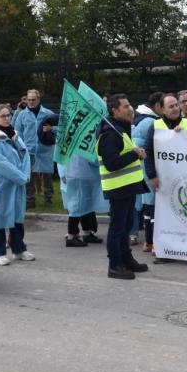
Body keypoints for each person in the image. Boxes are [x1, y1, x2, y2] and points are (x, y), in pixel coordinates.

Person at [98, 94, 150, 280]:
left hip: (128, 187)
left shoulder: (120, 129)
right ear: (114, 110)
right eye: (126, 106)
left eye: (130, 105)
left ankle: (126, 259)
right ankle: (115, 265)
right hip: (118, 188)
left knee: (126, 226)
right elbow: (111, 163)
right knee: (117, 228)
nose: (131, 109)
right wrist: (135, 155)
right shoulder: (110, 133)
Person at [0, 103, 34, 265]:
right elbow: (0, 163)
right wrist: (20, 176)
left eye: (8, 115)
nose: (6, 119)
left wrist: (25, 175)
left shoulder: (15, 135)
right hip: (1, 184)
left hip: (17, 184)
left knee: (17, 218)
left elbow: (25, 155)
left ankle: (19, 249)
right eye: (3, 116)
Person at [144, 93, 187, 263]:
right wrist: (152, 175)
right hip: (164, 179)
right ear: (162, 109)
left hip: (186, 179)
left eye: (176, 105)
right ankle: (162, 250)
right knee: (163, 216)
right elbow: (148, 152)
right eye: (170, 106)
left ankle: (185, 248)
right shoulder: (155, 126)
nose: (175, 108)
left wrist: (182, 134)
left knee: (185, 214)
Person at [12, 89, 56, 208]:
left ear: (38, 99)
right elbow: (17, 132)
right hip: (28, 150)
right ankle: (30, 200)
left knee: (47, 175)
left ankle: (48, 199)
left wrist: (51, 129)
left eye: (33, 100)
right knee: (28, 176)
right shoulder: (22, 115)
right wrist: (21, 148)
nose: (30, 102)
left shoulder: (48, 113)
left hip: (45, 149)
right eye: (29, 100)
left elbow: (60, 128)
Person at [58, 143, 106, 248]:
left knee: (86, 204)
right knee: (77, 205)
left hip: (80, 174)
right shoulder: (79, 135)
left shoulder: (72, 133)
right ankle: (72, 236)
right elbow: (91, 158)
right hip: (79, 174)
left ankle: (87, 233)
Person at [132, 92, 163, 253]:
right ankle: (152, 241)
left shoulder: (141, 119)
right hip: (150, 170)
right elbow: (139, 148)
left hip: (145, 170)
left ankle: (148, 242)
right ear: (158, 106)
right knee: (152, 206)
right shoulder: (150, 123)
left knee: (147, 205)